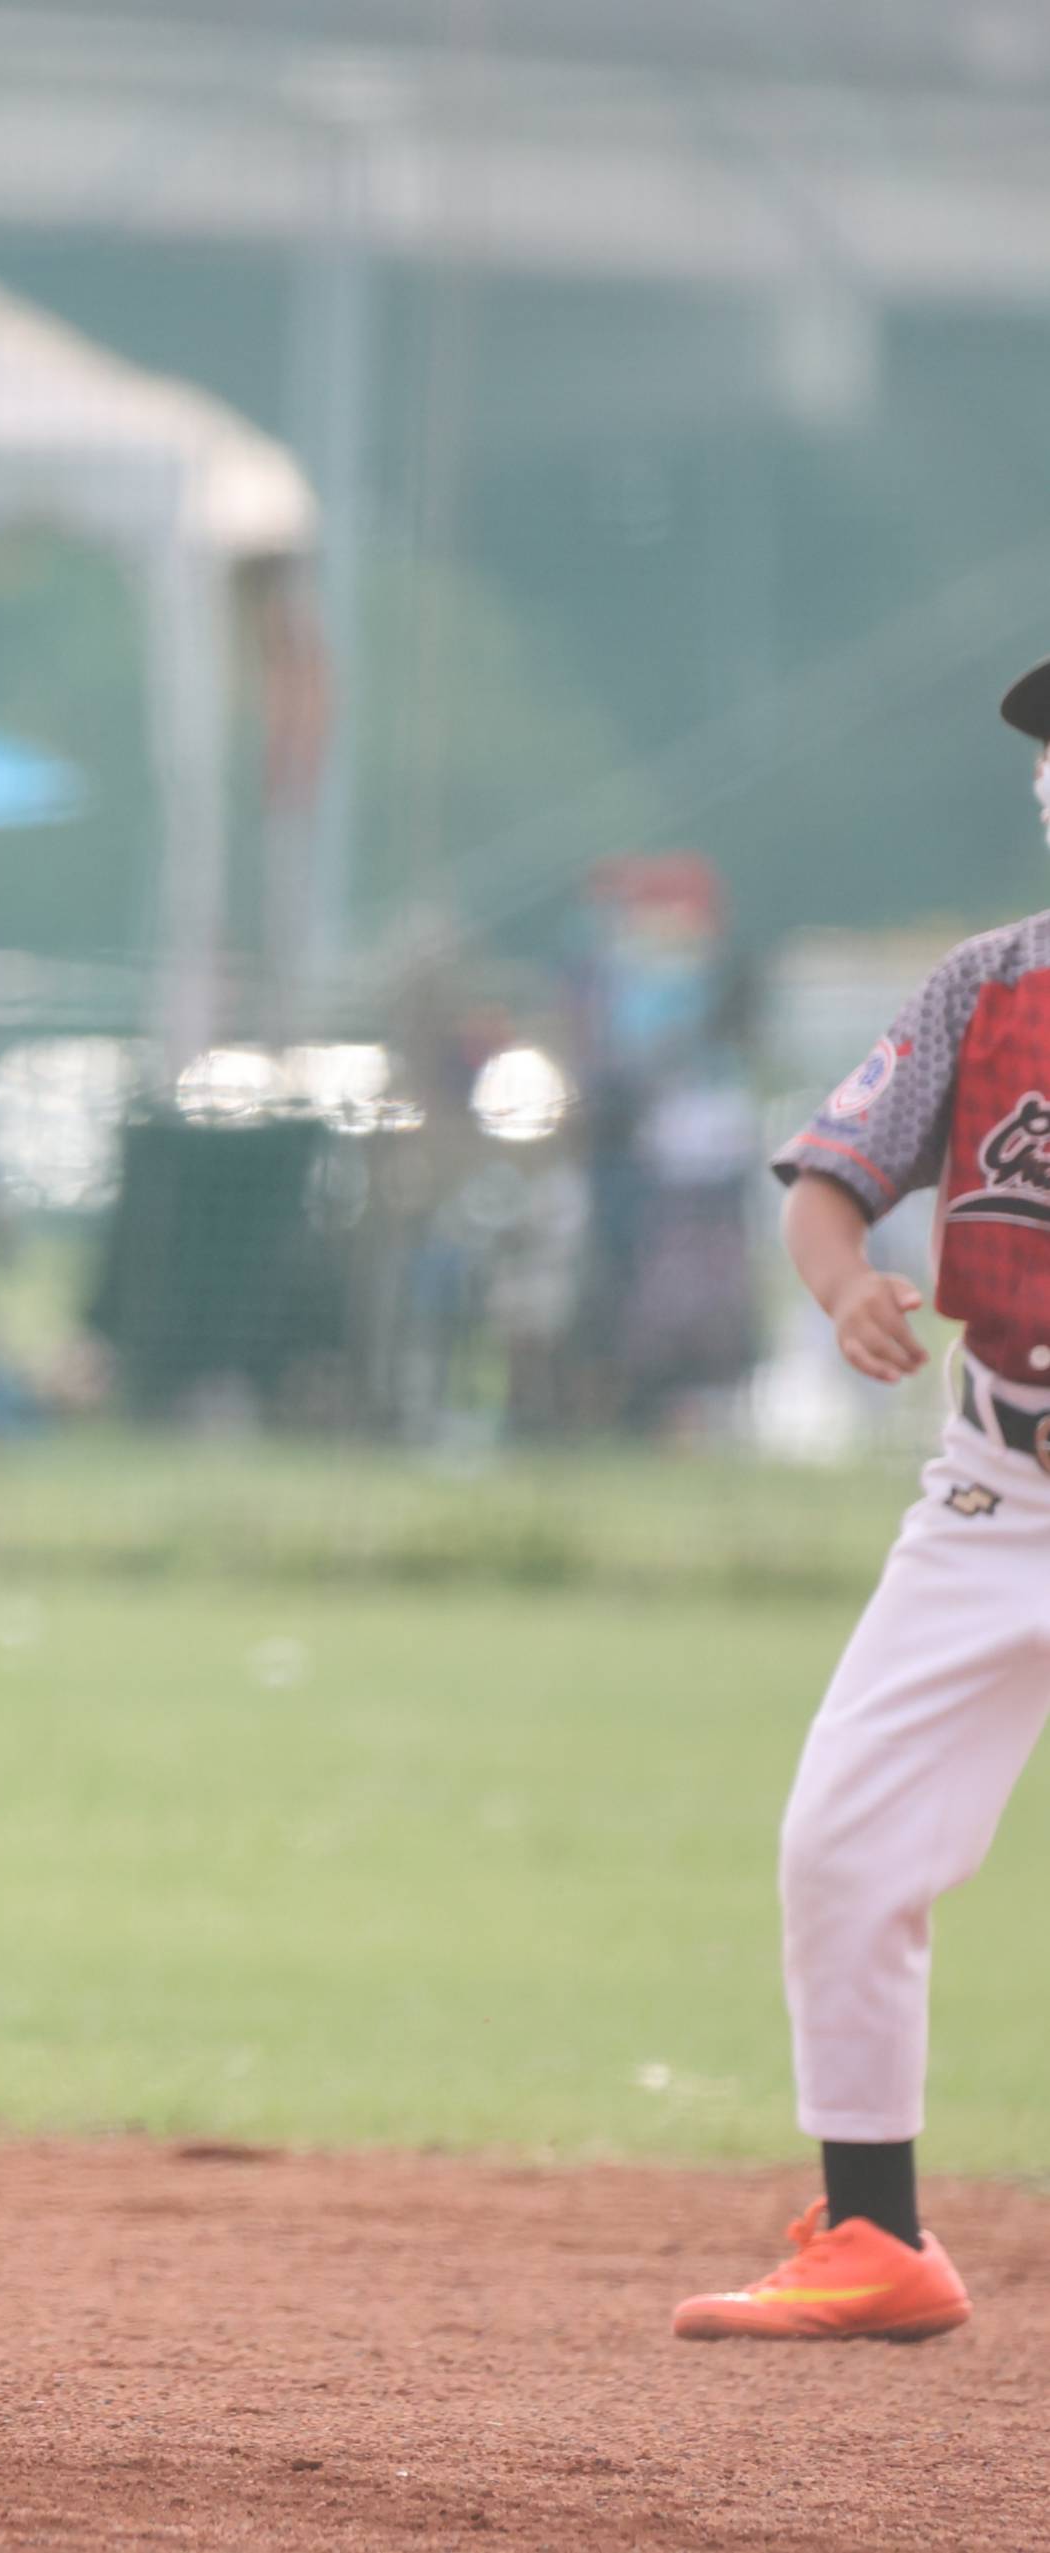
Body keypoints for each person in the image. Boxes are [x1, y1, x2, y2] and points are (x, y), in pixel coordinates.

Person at [669, 658, 1050, 2344]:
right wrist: (841, 1289)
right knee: (844, 1834)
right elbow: (830, 1179)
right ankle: (875, 2234)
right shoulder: (987, 983)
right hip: (998, 1478)